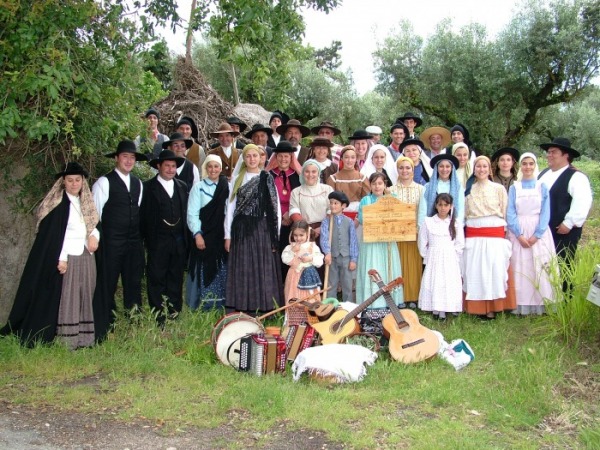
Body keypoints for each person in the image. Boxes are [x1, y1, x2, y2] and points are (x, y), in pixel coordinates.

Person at [1, 163, 99, 348]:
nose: (74, 184)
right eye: (70, 180)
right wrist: (61, 257)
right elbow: (55, 235)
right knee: (69, 297)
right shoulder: (59, 204)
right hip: (68, 258)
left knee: (84, 295)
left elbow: (93, 224)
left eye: (77, 180)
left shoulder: (85, 201)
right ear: (63, 182)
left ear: (82, 181)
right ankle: (67, 339)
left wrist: (94, 235)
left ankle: (83, 338)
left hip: (86, 256)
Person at [92, 140, 146, 340]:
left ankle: (134, 323)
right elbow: (95, 216)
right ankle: (104, 326)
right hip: (111, 243)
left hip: (133, 243)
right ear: (116, 158)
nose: (129, 161)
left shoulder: (138, 184)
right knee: (107, 284)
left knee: (133, 283)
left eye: (132, 158)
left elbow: (137, 211)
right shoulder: (103, 183)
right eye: (125, 156)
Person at [225, 144, 283, 314]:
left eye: (255, 156)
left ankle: (265, 308)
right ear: (244, 158)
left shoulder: (267, 178)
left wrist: (275, 236)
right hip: (241, 230)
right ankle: (242, 307)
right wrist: (227, 235)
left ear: (261, 158)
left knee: (262, 267)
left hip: (262, 229)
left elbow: (275, 208)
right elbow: (230, 209)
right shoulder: (237, 180)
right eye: (248, 156)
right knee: (244, 267)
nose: (251, 159)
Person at [463, 156, 516, 319]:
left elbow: (506, 211)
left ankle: (495, 307)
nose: (481, 169)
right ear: (474, 169)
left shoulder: (498, 188)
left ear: (490, 169)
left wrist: (506, 234)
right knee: (476, 272)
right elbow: (463, 214)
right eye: (478, 166)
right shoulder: (468, 189)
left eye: (484, 166)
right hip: (474, 236)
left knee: (494, 271)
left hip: (494, 236)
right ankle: (477, 308)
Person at [140, 150, 189, 324]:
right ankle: (158, 315)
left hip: (178, 241)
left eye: (173, 166)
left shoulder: (182, 186)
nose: (170, 169)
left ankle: (174, 313)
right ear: (159, 166)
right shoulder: (147, 187)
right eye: (167, 165)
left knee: (175, 277)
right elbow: (142, 216)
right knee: (156, 278)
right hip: (157, 240)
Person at [507, 152, 557, 315]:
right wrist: (519, 234)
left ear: (535, 166)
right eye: (524, 164)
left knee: (540, 265)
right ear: (520, 166)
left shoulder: (541, 186)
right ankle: (520, 303)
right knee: (521, 266)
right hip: (519, 230)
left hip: (538, 230)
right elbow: (511, 212)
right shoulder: (515, 187)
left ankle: (542, 302)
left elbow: (545, 212)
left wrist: (537, 234)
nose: (527, 167)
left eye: (531, 164)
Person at [538, 137, 593, 261]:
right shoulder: (542, 174)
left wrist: (568, 223)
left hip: (563, 232)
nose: (549, 155)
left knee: (562, 266)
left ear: (566, 155)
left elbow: (582, 202)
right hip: (543, 232)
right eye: (549, 152)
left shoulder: (576, 177)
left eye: (554, 152)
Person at [186, 155, 229, 311]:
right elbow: (192, 213)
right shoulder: (198, 187)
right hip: (204, 235)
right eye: (210, 166)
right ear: (205, 168)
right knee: (203, 268)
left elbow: (229, 212)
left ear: (220, 168)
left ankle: (221, 304)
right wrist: (197, 234)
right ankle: (204, 304)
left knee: (222, 268)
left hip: (220, 235)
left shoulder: (227, 186)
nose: (213, 170)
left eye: (216, 166)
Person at [356, 173, 403, 308]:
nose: (377, 186)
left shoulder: (392, 198)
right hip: (371, 241)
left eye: (380, 183)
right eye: (374, 183)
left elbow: (398, 216)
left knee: (387, 266)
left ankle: (391, 300)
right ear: (370, 185)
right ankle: (373, 302)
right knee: (374, 265)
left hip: (387, 240)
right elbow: (362, 219)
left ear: (385, 185)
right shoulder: (366, 200)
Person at [418, 193, 464, 320]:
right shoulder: (428, 222)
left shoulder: (455, 223)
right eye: (440, 205)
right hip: (434, 256)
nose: (443, 208)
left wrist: (454, 255)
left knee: (448, 282)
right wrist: (426, 255)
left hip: (449, 256)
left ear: (451, 206)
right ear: (436, 206)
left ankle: (450, 307)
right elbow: (422, 241)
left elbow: (460, 243)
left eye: (446, 205)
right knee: (436, 282)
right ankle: (437, 309)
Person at [389, 156, 424, 308]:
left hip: (413, 233)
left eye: (407, 168)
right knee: (398, 264)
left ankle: (413, 297)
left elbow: (422, 212)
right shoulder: (390, 190)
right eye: (401, 168)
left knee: (413, 265)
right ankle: (399, 297)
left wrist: (417, 230)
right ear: (397, 170)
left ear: (413, 169)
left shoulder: (421, 189)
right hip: (396, 234)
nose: (405, 171)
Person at [266, 140, 302, 280]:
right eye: (280, 156)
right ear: (275, 157)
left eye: (286, 156)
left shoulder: (297, 176)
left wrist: (290, 214)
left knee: (291, 250)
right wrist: (279, 215)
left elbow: (300, 197)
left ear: (291, 158)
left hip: (292, 219)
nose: (283, 159)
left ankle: (290, 282)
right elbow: (267, 199)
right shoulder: (269, 175)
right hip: (274, 219)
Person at [320, 191, 359, 303]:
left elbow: (353, 241)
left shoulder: (349, 222)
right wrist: (327, 252)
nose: (332, 205)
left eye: (336, 203)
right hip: (332, 257)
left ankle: (349, 306)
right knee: (331, 283)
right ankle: (331, 306)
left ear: (343, 206)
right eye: (331, 203)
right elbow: (324, 238)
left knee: (347, 283)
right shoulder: (326, 222)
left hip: (346, 257)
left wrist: (353, 259)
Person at [289, 160, 333, 240]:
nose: (310, 175)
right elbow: (294, 213)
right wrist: (308, 229)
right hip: (303, 232)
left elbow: (332, 211)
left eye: (314, 172)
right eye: (307, 171)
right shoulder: (296, 192)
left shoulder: (327, 189)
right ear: (302, 173)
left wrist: (321, 229)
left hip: (325, 229)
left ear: (318, 173)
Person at [282, 220, 324, 302]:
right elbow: (285, 259)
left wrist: (311, 259)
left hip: (309, 277)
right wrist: (292, 251)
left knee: (309, 297)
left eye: (301, 235)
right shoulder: (290, 247)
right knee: (293, 296)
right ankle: (294, 314)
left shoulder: (312, 246)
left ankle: (309, 313)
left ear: (307, 234)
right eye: (295, 235)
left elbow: (320, 261)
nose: (298, 238)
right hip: (294, 277)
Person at [418, 153, 464, 227]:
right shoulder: (428, 187)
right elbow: (423, 211)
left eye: (447, 166)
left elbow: (461, 209)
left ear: (452, 168)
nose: (444, 169)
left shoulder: (458, 187)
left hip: (452, 227)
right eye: (441, 166)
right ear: (437, 168)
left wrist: (458, 227)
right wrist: (421, 227)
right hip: (432, 228)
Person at [326, 145, 370, 220]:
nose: (349, 160)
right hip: (339, 216)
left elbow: (366, 200)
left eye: (352, 157)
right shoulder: (333, 178)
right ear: (342, 158)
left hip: (358, 216)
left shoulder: (362, 178)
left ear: (356, 159)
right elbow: (329, 201)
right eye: (346, 157)